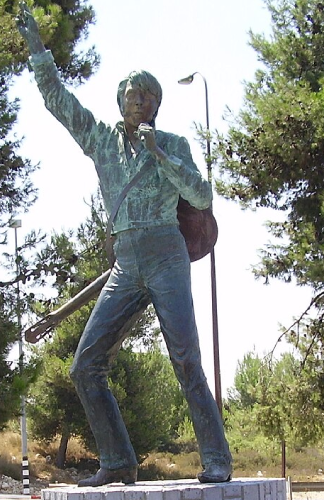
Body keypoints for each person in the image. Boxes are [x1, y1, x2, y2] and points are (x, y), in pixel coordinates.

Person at [16, 3, 232, 487]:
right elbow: (58, 100)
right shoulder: (100, 141)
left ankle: (216, 458)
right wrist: (38, 51)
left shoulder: (172, 144)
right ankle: (117, 460)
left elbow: (202, 195)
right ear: (121, 102)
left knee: (185, 357)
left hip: (166, 254)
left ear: (156, 105)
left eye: (148, 97)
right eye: (133, 95)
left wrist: (160, 155)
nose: (140, 103)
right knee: (84, 365)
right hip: (125, 260)